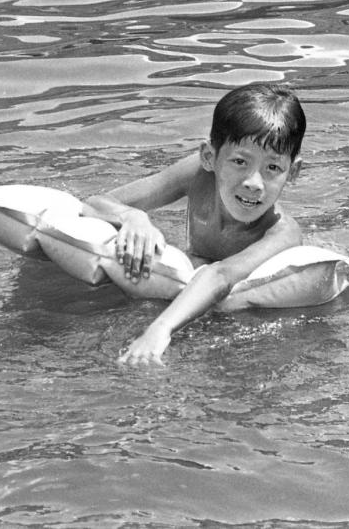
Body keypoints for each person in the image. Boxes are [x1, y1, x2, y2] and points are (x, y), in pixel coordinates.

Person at [82, 82, 304, 364]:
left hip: (242, 317)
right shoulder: (199, 174)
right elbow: (94, 202)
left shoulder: (283, 234)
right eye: (239, 161)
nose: (253, 183)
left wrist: (160, 329)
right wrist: (133, 217)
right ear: (209, 157)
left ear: (293, 172)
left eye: (273, 168)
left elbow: (221, 276)